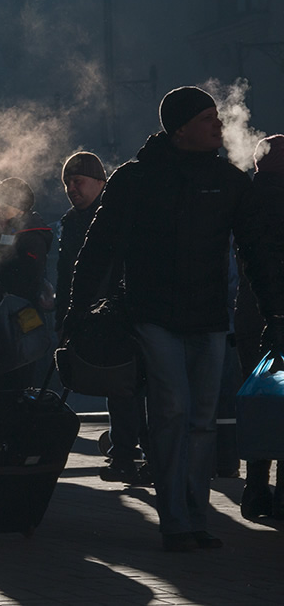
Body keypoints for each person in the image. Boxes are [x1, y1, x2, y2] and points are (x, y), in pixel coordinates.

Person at [66, 86, 284, 552]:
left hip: (208, 317)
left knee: (201, 418)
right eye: (208, 118)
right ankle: (176, 518)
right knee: (173, 412)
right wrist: (77, 308)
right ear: (181, 127)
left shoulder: (228, 182)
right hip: (154, 315)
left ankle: (192, 515)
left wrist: (275, 310)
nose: (218, 125)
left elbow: (257, 253)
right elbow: (100, 247)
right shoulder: (137, 179)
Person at [56, 152, 151, 485]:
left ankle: (133, 454)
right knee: (120, 387)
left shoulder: (115, 214)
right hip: (91, 314)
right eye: (67, 182)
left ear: (99, 182)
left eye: (78, 180)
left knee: (129, 386)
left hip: (117, 313)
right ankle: (127, 453)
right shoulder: (70, 222)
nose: (71, 188)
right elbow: (65, 273)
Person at [235, 134, 284, 519]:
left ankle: (254, 490)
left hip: (251, 314)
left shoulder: (246, 198)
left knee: (258, 400)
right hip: (279, 313)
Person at [0, 177, 53, 389]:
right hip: (1, 315)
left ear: (19, 207)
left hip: (19, 315)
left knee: (20, 374)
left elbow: (28, 276)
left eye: (4, 205)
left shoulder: (29, 235)